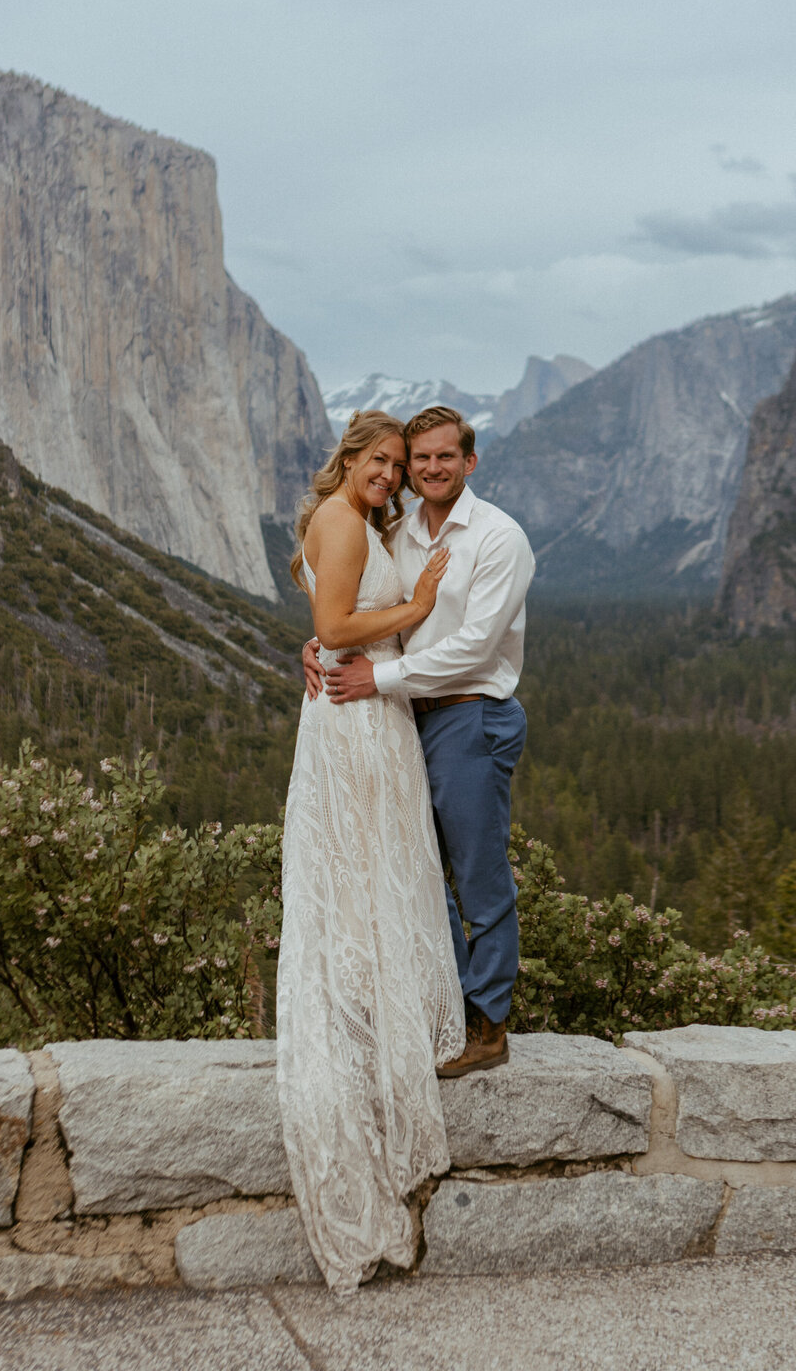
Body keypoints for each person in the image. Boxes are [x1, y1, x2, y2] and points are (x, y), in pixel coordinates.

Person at [276, 409, 465, 1297]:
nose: (390, 475)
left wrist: (329, 638)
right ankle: (361, 1035)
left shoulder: (357, 519)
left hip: (363, 716)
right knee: (360, 884)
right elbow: (339, 623)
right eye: (380, 461)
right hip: (355, 725)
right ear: (349, 460)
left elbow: (326, 623)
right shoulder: (344, 520)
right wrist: (418, 605)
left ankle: (371, 1010)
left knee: (371, 882)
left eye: (400, 465)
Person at [311, 404, 536, 1078]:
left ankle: (488, 1025)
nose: (431, 468)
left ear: (470, 461)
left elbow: (474, 648)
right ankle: (443, 1008)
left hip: (471, 715)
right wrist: (322, 642)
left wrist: (378, 677)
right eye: (420, 459)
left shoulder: (499, 538)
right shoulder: (401, 532)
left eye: (446, 456)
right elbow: (362, 612)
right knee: (412, 869)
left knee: (477, 876)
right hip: (409, 716)